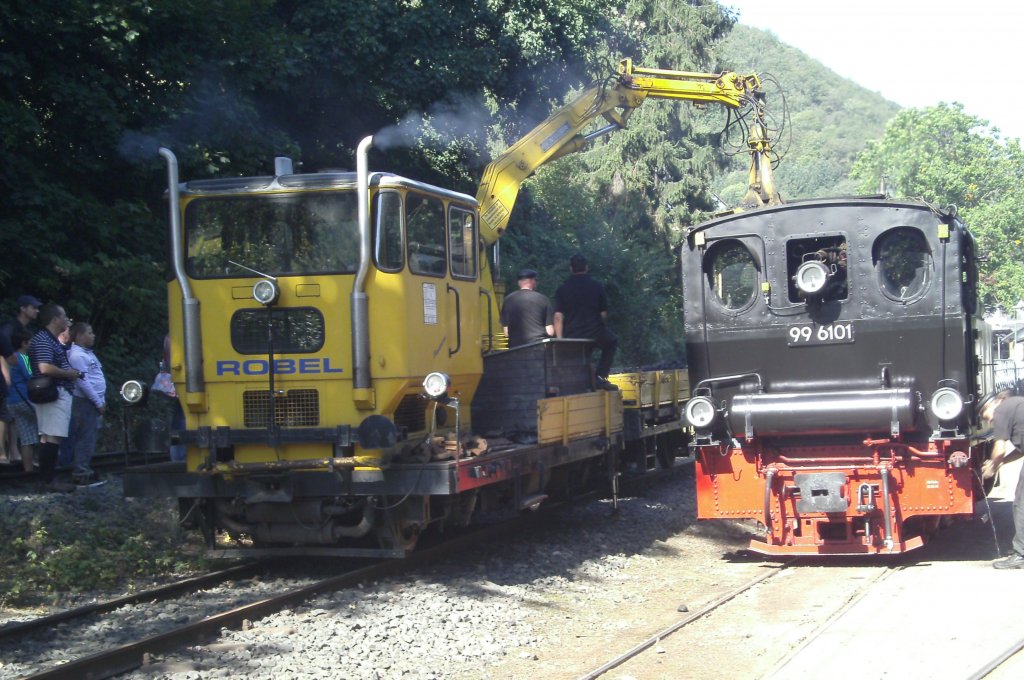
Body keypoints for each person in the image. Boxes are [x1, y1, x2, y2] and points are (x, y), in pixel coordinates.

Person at [28, 303, 82, 491]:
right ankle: (48, 481)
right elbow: (44, 367)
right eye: (64, 316)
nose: (67, 320)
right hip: (53, 392)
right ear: (55, 319)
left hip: (50, 391)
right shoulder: (44, 340)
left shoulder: (46, 339)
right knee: (53, 437)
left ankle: (45, 479)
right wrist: (69, 374)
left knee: (47, 436)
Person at [553, 254, 619, 386]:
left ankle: (570, 382)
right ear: (587, 268)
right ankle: (600, 377)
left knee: (574, 355)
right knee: (612, 342)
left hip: (572, 334)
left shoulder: (562, 289)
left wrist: (560, 339)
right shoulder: (597, 286)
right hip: (595, 332)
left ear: (571, 268)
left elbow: (558, 317)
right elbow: (604, 314)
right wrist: (601, 327)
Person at [980, 390, 1024, 569]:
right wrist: (1002, 462)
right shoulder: (1016, 404)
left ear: (991, 405)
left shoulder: (1000, 411)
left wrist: (992, 467)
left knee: (1021, 504)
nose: (990, 422)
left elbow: (999, 449)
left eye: (987, 417)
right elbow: (1020, 450)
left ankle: (1021, 555)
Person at [67, 321, 106, 485]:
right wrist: (98, 402)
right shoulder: (77, 356)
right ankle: (81, 473)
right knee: (85, 436)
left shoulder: (87, 353)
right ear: (80, 336)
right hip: (86, 402)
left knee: (89, 436)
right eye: (89, 333)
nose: (93, 335)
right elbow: (83, 382)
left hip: (92, 402)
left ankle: (84, 468)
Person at [7, 327, 38, 472]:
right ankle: (43, 463)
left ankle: (28, 468)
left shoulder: (10, 358)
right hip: (25, 400)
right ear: (24, 343)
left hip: (11, 401)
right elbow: (30, 376)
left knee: (26, 435)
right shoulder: (23, 357)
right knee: (41, 432)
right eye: (31, 341)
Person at [500, 268, 554, 348]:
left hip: (515, 349)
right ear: (532, 281)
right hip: (538, 347)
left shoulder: (508, 300)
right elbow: (550, 331)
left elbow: (506, 332)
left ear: (519, 283)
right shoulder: (543, 299)